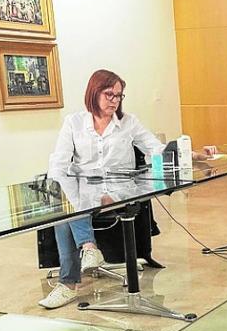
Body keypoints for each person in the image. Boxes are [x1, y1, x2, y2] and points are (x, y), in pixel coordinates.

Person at [39, 68, 164, 309]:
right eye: (110, 95)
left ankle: (69, 282)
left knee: (69, 210)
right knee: (66, 206)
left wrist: (187, 152)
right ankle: (88, 249)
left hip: (118, 191)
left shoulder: (128, 123)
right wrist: (58, 189)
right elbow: (59, 162)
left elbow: (155, 147)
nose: (115, 101)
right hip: (83, 192)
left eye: (119, 96)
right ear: (94, 93)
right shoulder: (74, 123)